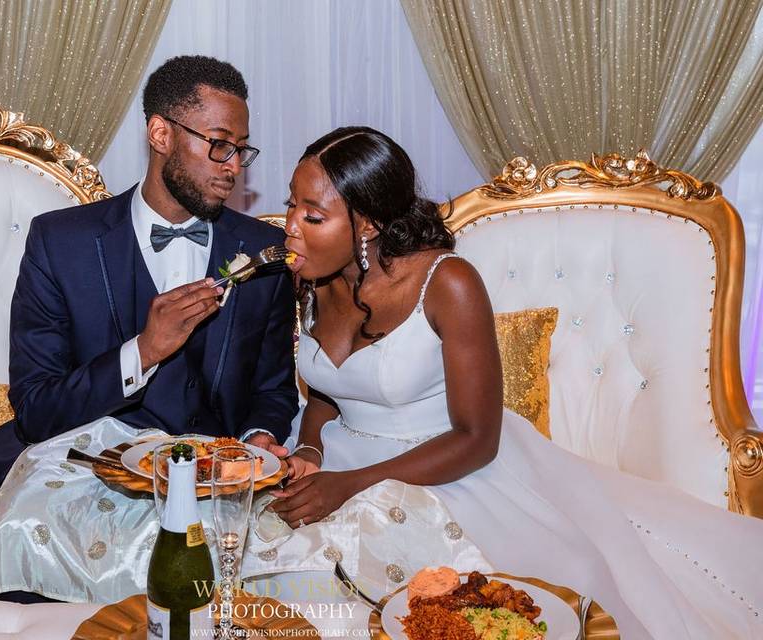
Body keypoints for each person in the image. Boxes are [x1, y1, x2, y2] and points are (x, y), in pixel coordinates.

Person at [258, 126, 763, 638]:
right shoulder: (310, 277)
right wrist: (311, 450)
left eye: (313, 215)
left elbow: (477, 439)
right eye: (291, 206)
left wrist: (350, 486)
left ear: (367, 224)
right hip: (341, 465)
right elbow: (327, 387)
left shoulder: (448, 283)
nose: (291, 228)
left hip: (449, 469)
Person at [0, 55, 298, 534]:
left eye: (241, 150)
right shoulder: (60, 243)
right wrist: (143, 353)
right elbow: (37, 409)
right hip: (85, 476)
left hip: (217, 488)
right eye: (218, 145)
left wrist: (256, 441)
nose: (233, 167)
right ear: (161, 134)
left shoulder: (258, 252)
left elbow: (273, 391)